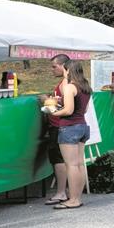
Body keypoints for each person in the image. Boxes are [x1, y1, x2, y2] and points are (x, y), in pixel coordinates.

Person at [47, 59, 93, 210]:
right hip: (83, 126)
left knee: (71, 165)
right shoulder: (85, 86)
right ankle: (77, 197)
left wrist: (53, 111)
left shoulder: (69, 87)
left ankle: (73, 199)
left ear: (67, 70)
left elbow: (68, 110)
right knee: (79, 164)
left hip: (69, 127)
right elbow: (84, 110)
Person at [42, 54, 71, 205]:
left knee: (59, 159)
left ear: (63, 66)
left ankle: (61, 192)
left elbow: (64, 107)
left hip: (59, 125)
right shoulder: (70, 83)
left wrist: (45, 100)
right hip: (63, 126)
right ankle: (67, 192)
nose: (52, 70)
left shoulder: (66, 84)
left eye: (54, 66)